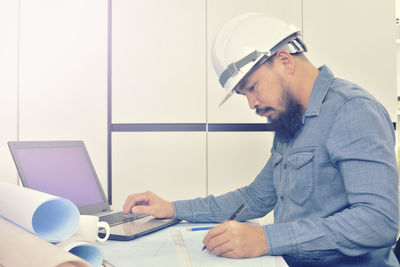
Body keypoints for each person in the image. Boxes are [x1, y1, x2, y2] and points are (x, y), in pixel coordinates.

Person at [123, 13, 399, 266]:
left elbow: (379, 222)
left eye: (252, 88)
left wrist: (266, 239)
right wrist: (172, 208)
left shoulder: (352, 109)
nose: (252, 103)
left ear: (284, 61)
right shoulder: (292, 119)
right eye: (244, 94)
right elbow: (255, 198)